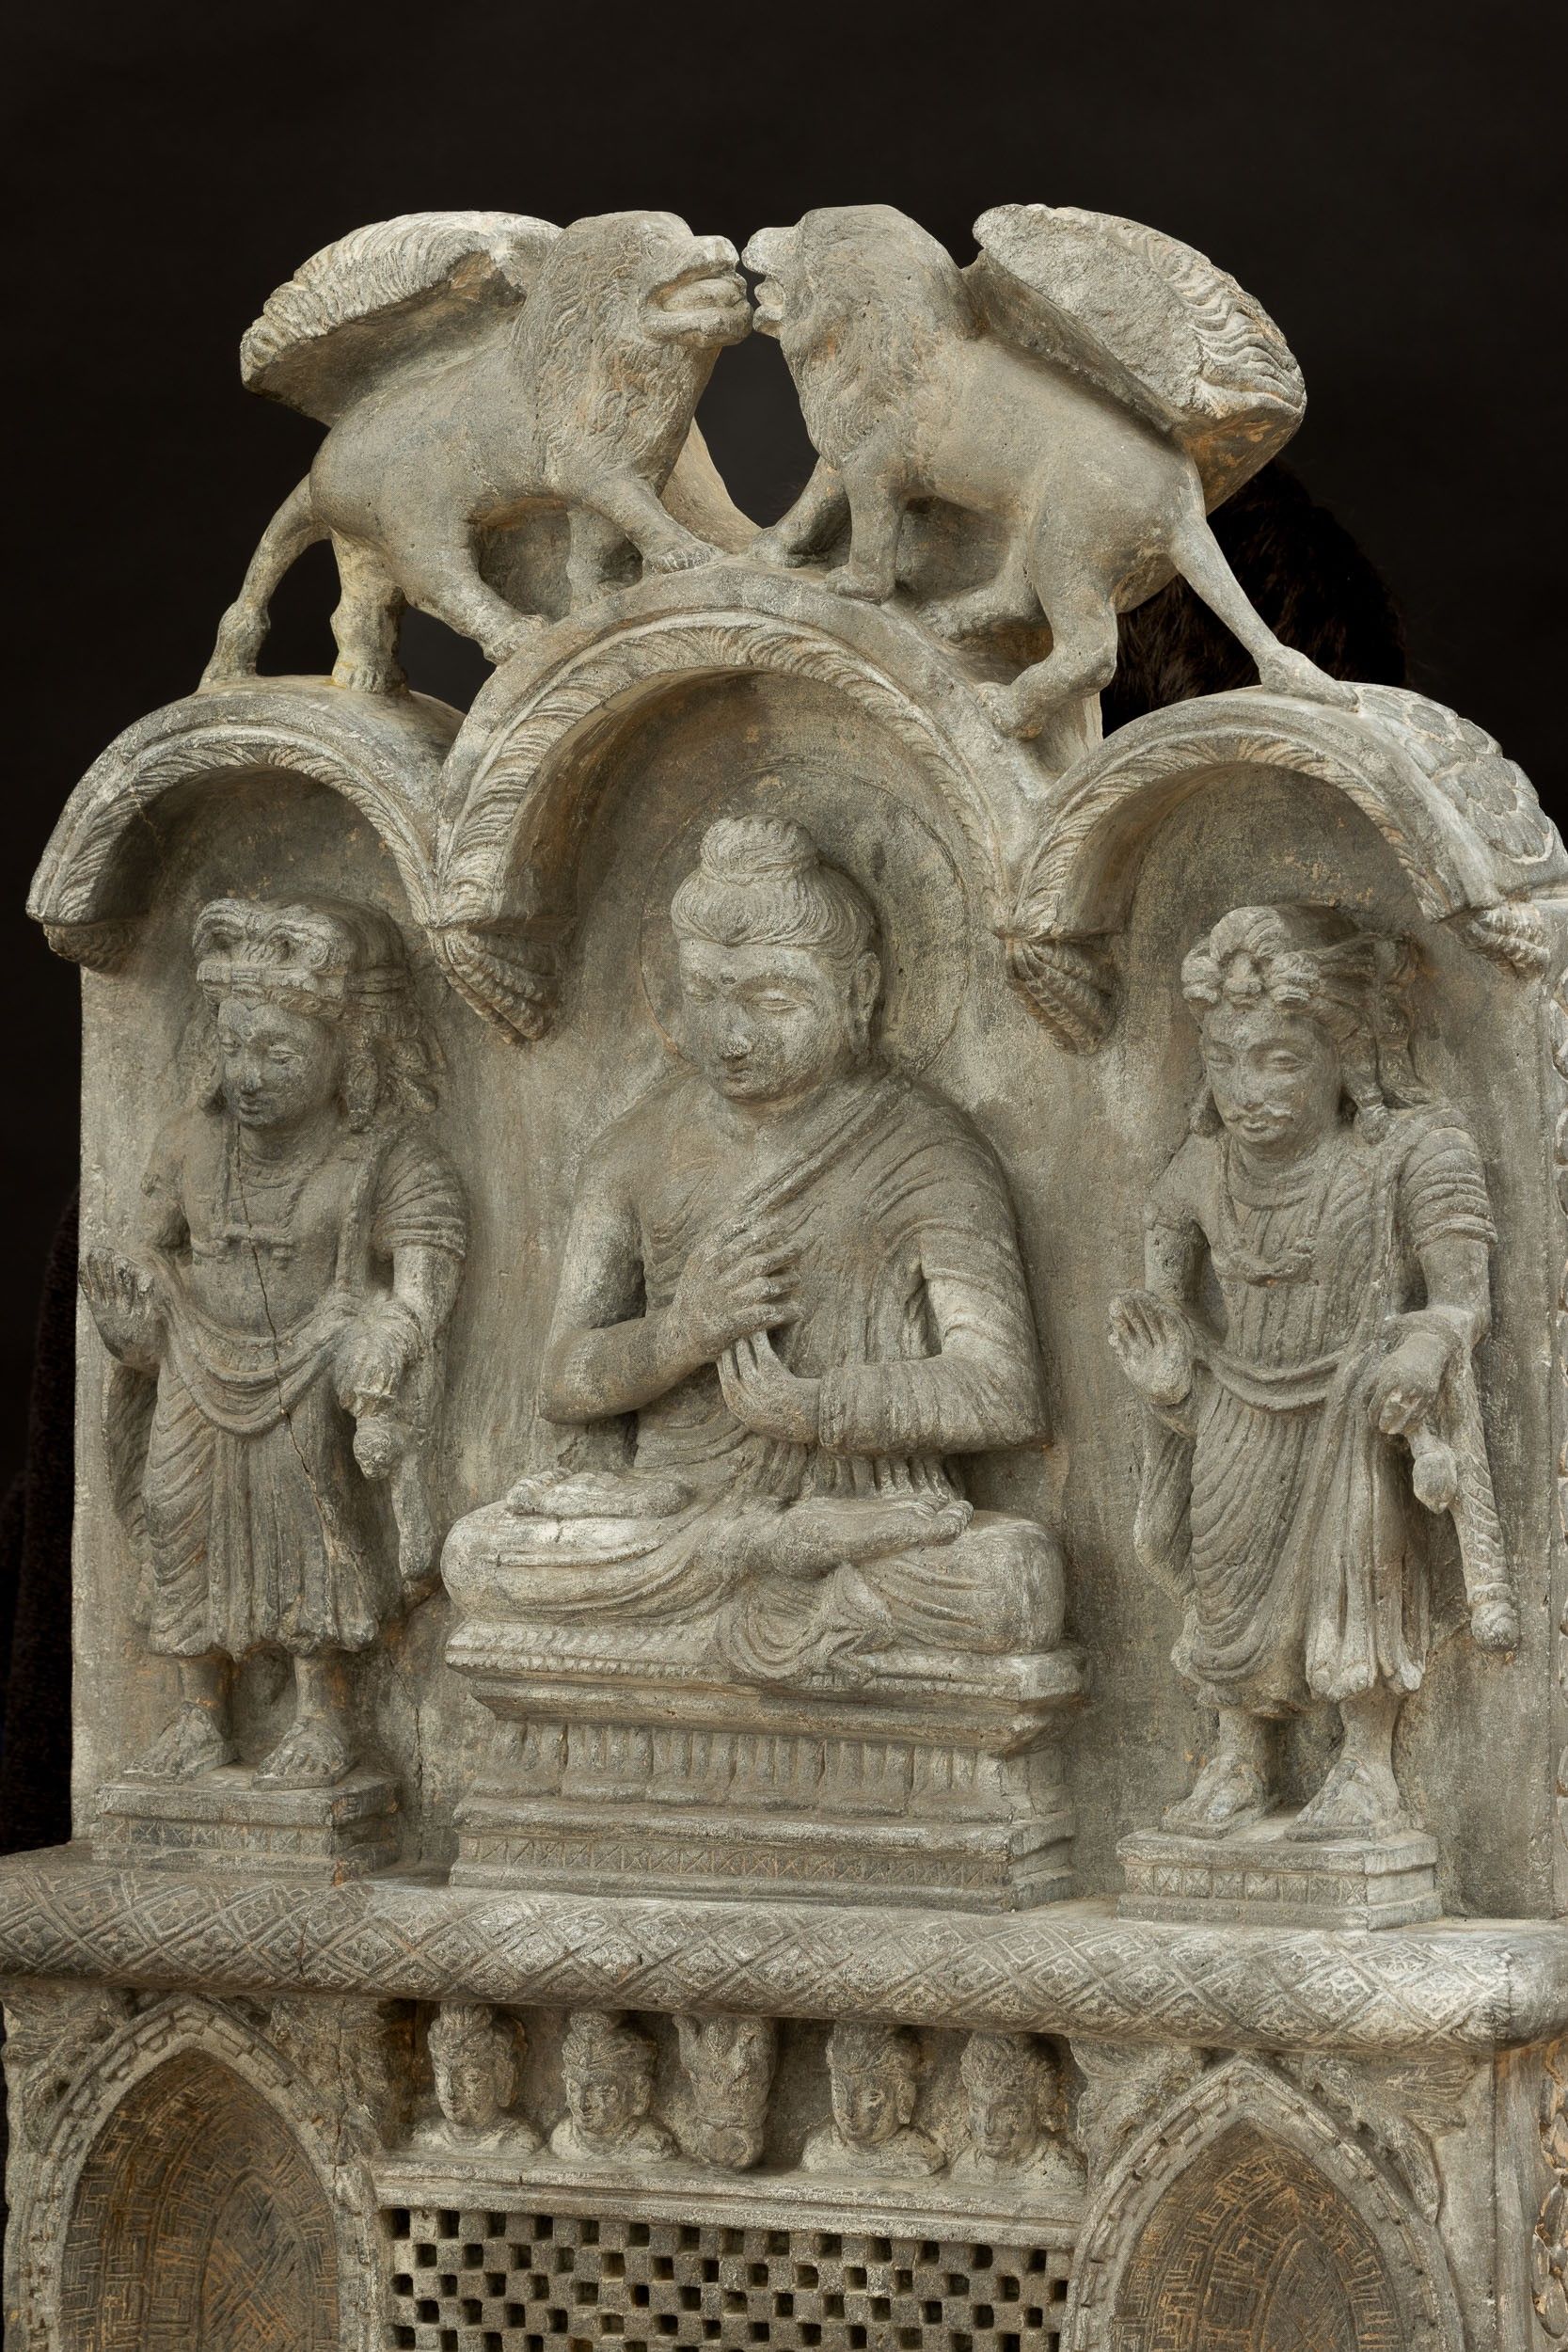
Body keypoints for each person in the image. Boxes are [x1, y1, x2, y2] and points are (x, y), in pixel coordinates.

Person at [445, 815, 1061, 1683]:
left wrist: (812, 1409)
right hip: (679, 1517)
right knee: (476, 1558)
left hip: (868, 1510)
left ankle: (789, 1547)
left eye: (773, 1003)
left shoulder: (925, 1151)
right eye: (704, 996)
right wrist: (680, 1334)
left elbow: (1001, 1392)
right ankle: (769, 1548)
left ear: (859, 991)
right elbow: (562, 1380)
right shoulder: (632, 1152)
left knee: (1011, 1582)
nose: (730, 1037)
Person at [1108, 903, 1513, 1841]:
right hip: (1234, 1405)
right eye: (1223, 1060)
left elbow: (1462, 1300)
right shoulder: (1195, 1171)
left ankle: (1365, 1766)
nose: (1246, 1090)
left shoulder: (1413, 1153)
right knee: (1225, 1578)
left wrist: (1420, 1350)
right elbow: (1163, 1304)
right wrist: (1168, 1373)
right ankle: (1239, 1757)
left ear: (1346, 1053)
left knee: (1357, 1570)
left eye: (1279, 1061)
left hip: (1357, 1402)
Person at [81, 897, 466, 1787]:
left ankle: (323, 1714)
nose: (249, 1075)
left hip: (314, 1365)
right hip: (194, 1359)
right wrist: (130, 1317)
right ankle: (197, 1714)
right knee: (177, 1521)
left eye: (280, 1054)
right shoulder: (189, 1143)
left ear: (350, 1051)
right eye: (234, 1047)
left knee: (311, 1529)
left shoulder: (389, 1158)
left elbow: (422, 1290)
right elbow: (146, 1253)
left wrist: (388, 1334)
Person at [801, 2022, 942, 2177]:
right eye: (839, 2091)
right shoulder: (819, 2151)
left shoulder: (918, 2156)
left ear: (902, 2096)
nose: (849, 2111)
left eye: (869, 2096)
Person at [951, 2032, 1085, 2189]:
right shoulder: (967, 2165)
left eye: (1005, 2113)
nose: (987, 2128)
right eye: (976, 2108)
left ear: (1038, 2108)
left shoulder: (1061, 2173)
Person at [549, 2010, 675, 2163]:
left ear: (639, 2092)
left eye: (602, 2090)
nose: (583, 2105)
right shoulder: (562, 2138)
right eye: (573, 2088)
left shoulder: (651, 2146)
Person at [421, 2002, 539, 2153]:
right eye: (442, 2075)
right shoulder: (425, 2136)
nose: (451, 2093)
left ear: (504, 2080)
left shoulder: (517, 2142)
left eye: (471, 2078)